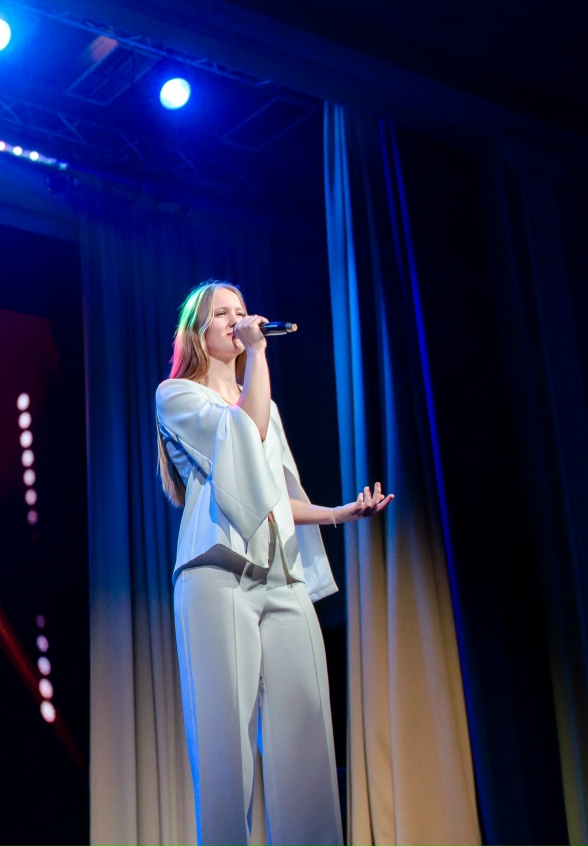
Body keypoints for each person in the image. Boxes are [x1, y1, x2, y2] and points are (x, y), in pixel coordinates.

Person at [154, 280, 393, 846]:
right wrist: (258, 356)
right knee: (225, 751)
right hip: (217, 573)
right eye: (223, 313)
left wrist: (338, 513)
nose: (237, 320)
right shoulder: (176, 395)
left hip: (281, 576)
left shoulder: (264, 402)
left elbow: (275, 495)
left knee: (306, 734)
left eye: (241, 311)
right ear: (199, 332)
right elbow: (243, 436)